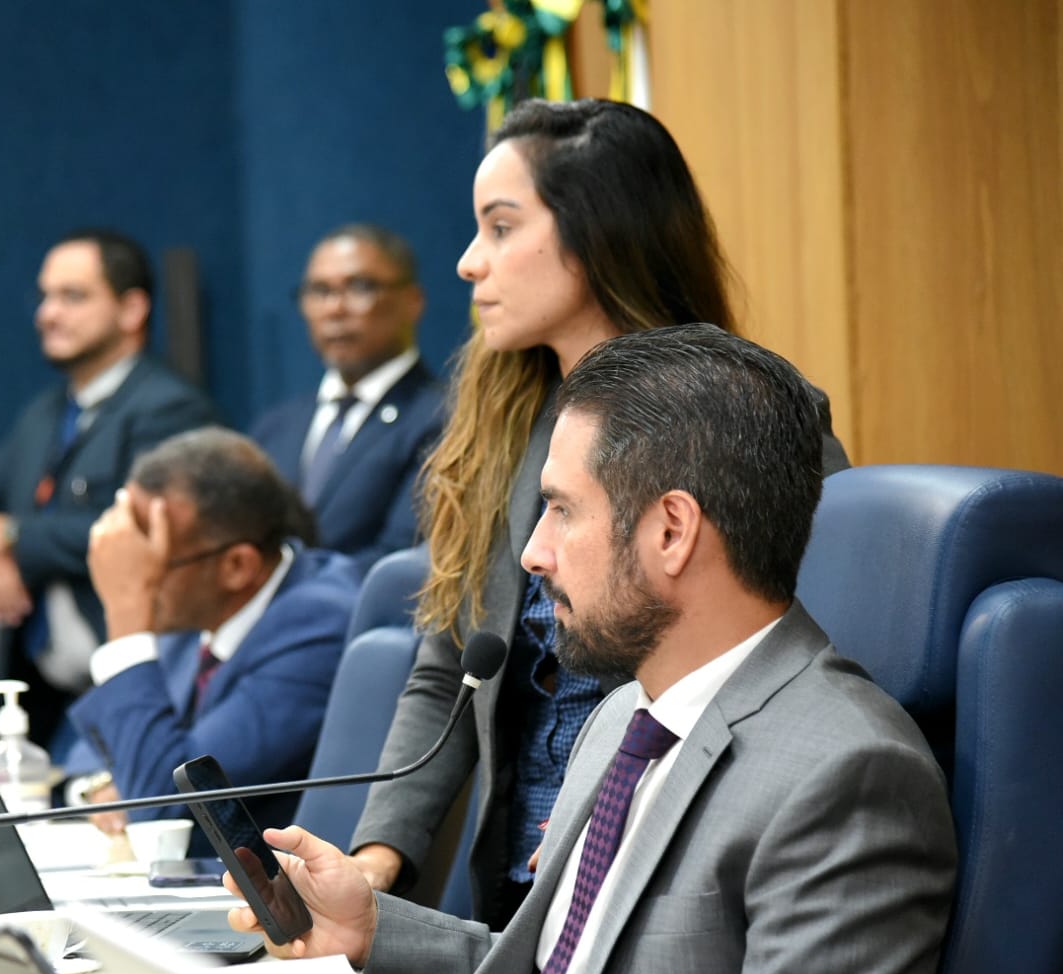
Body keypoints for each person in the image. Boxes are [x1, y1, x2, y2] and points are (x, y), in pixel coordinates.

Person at [229, 325, 958, 974]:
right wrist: (370, 930)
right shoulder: (622, 719)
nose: (532, 554)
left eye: (562, 509)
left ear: (671, 531)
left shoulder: (845, 775)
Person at [348, 98, 851, 928]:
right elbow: (450, 670)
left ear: (598, 232)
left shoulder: (754, 421)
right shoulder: (500, 422)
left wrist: (630, 798)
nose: (468, 263)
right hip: (517, 893)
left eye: (500, 227)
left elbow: (787, 671)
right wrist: (376, 858)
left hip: (668, 880)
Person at [0, 229, 216, 748]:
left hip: (122, 668)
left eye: (73, 296)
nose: (47, 314)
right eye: (45, 296)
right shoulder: (46, 412)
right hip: (37, 681)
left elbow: (141, 529)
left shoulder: (169, 408)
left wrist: (12, 536)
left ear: (132, 309)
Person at [62, 427, 361, 836]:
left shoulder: (318, 629)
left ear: (236, 566)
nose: (131, 577)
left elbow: (164, 806)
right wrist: (98, 784)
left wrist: (126, 624)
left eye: (150, 560)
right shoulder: (196, 606)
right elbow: (97, 742)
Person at [250, 224, 445, 572]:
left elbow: (400, 563)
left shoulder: (444, 417)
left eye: (360, 287)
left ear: (412, 301)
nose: (335, 309)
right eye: (319, 290)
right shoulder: (276, 426)